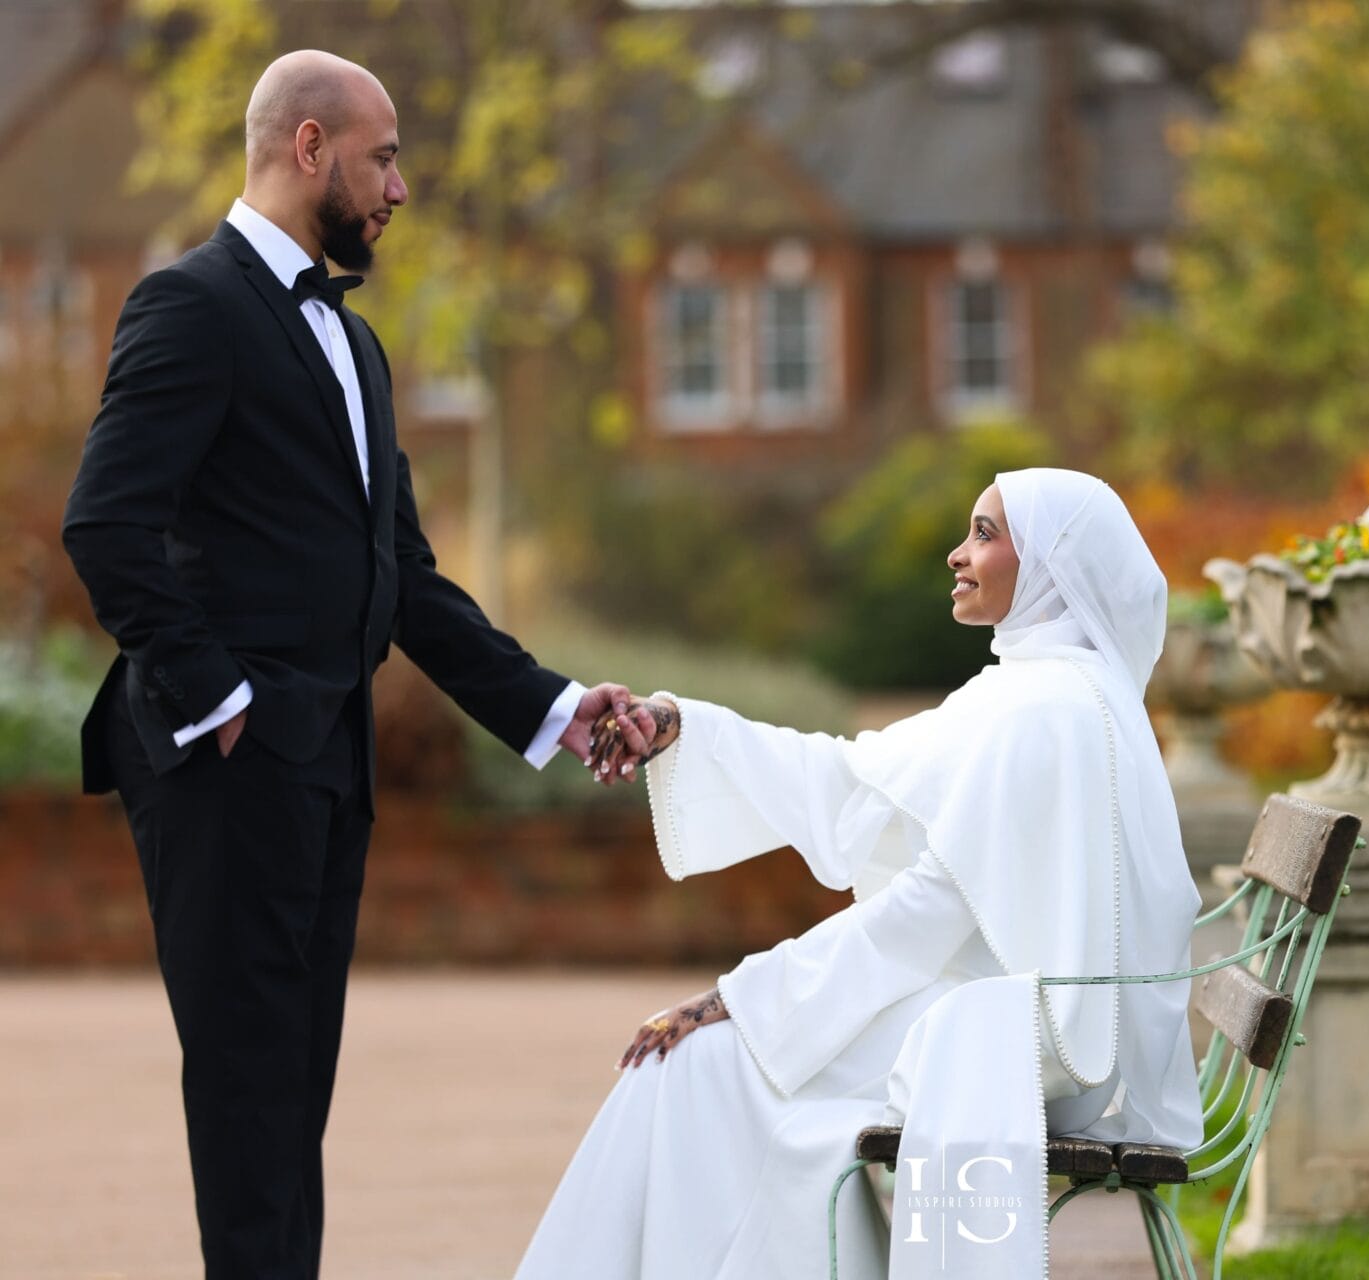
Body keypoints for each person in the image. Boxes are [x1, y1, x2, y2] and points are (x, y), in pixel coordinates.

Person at [61, 50, 638, 1280]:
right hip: (227, 769)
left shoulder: (358, 347)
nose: (403, 187)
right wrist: (222, 698)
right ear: (308, 148)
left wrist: (552, 708)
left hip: (325, 768)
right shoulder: (190, 304)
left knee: (289, 1096)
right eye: (383, 158)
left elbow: (407, 580)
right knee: (250, 1095)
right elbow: (106, 523)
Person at [515, 468, 1204, 1279]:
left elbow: (931, 909)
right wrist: (680, 727)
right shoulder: (1037, 689)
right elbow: (856, 778)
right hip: (1000, 1010)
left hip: (1011, 1033)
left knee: (700, 1066)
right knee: (712, 1069)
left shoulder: (1045, 709)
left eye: (985, 533)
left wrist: (742, 995)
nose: (957, 553)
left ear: (1054, 563)